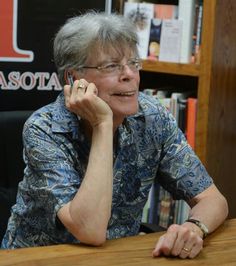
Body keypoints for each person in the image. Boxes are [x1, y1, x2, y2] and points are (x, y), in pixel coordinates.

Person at [1, 12, 228, 259]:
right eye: (111, 66)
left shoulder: (152, 117)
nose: (129, 74)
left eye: (133, 63)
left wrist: (194, 227)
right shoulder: (44, 129)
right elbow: (90, 230)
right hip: (39, 259)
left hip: (117, 257)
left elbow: (214, 200)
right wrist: (102, 124)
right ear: (73, 78)